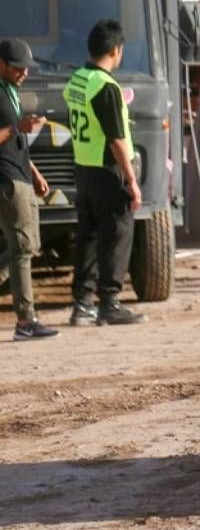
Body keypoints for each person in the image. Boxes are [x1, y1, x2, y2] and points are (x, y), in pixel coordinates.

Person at [63, 19, 145, 326]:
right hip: (108, 170)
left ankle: (82, 304)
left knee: (87, 237)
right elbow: (117, 139)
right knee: (116, 235)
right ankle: (110, 303)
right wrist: (132, 181)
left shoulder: (77, 80)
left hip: (83, 169)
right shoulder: (107, 87)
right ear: (116, 50)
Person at [0, 39, 58, 340]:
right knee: (21, 248)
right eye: (18, 68)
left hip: (21, 176)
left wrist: (35, 172)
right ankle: (26, 321)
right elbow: (9, 134)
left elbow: (16, 140)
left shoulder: (11, 92)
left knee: (27, 246)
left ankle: (27, 320)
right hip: (7, 179)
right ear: (1, 64)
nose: (24, 73)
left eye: (26, 68)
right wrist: (16, 128)